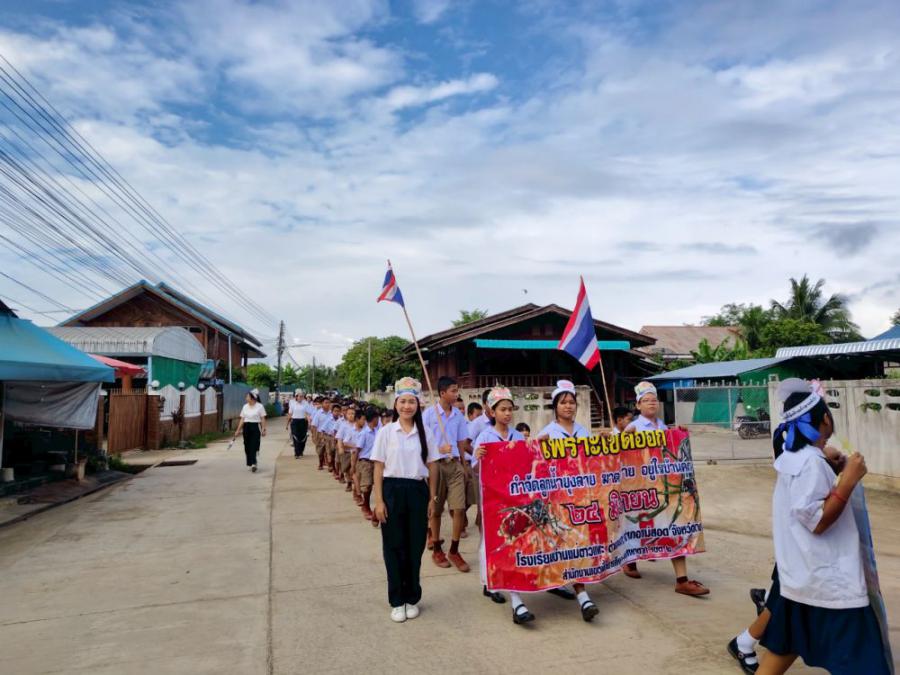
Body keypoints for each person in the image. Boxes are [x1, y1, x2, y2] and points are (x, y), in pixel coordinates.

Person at [752, 379, 888, 675]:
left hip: (801, 578)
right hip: (831, 585)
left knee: (783, 650)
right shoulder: (811, 463)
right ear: (825, 419)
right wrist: (848, 480)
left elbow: (806, 502)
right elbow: (818, 521)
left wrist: (835, 470)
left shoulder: (794, 458)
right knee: (866, 664)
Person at [622, 381, 709, 596]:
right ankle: (630, 561)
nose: (652, 403)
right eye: (646, 400)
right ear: (638, 405)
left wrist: (679, 434)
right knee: (637, 526)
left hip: (668, 488)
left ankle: (682, 580)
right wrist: (623, 438)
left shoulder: (664, 428)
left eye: (654, 400)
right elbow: (619, 455)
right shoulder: (633, 428)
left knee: (674, 527)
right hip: (642, 489)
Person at [371, 377, 445, 623]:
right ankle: (397, 600)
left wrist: (432, 498)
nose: (407, 406)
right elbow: (378, 468)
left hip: (417, 491)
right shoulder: (386, 432)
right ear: (395, 404)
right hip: (392, 491)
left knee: (415, 547)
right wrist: (379, 501)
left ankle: (412, 597)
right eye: (402, 401)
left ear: (418, 404)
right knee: (393, 547)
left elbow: (433, 466)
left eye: (411, 402)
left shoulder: (426, 434)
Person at [535, 379, 599, 621]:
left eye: (572, 402)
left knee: (577, 545)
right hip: (558, 501)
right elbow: (534, 462)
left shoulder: (583, 432)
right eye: (563, 403)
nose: (568, 406)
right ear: (555, 406)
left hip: (582, 500)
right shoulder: (547, 433)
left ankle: (578, 592)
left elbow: (594, 462)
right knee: (565, 545)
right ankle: (580, 595)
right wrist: (536, 447)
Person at [472, 386, 528, 619]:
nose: (507, 413)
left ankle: (512, 583)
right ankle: (490, 582)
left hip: (514, 496)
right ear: (492, 412)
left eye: (510, 409)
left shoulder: (518, 436)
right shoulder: (485, 437)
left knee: (514, 540)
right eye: (502, 409)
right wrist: (478, 458)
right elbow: (476, 469)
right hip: (493, 498)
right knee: (492, 539)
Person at [423, 376, 472, 572]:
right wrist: (437, 449)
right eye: (453, 390)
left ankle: (454, 550)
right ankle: (436, 548)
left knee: (459, 508)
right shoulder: (429, 414)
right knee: (435, 510)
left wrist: (464, 465)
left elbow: (461, 442)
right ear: (442, 393)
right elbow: (422, 443)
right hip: (435, 466)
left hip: (455, 466)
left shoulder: (458, 415)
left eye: (457, 390)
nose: (456, 394)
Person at [233, 389, 267, 472]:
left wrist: (263, 429)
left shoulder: (260, 406)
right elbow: (242, 419)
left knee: (253, 445)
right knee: (247, 446)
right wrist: (238, 430)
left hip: (255, 427)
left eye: (247, 396)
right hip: (246, 427)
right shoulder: (245, 406)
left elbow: (262, 418)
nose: (246, 398)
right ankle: (250, 462)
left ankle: (254, 463)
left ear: (252, 398)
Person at [356, 407, 380, 523]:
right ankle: (366, 506)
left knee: (379, 485)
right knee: (367, 486)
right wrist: (355, 465)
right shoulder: (364, 433)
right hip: (365, 461)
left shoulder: (377, 431)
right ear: (373, 419)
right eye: (377, 418)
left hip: (376, 461)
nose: (378, 420)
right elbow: (357, 449)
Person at [286, 391, 311, 458]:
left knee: (303, 437)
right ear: (296, 397)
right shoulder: (293, 404)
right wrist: (287, 424)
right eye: (299, 396)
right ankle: (297, 453)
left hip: (303, 421)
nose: (300, 398)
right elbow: (290, 414)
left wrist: (309, 423)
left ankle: (301, 451)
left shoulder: (305, 404)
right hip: (295, 422)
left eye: (302, 396)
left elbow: (308, 414)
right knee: (295, 436)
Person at [312, 398, 332, 470]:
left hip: (329, 435)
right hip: (320, 434)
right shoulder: (318, 413)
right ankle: (321, 463)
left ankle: (330, 465)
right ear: (322, 404)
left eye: (328, 403)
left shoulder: (332, 413)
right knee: (320, 451)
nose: (327, 404)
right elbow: (314, 426)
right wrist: (314, 436)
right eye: (326, 403)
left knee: (329, 450)